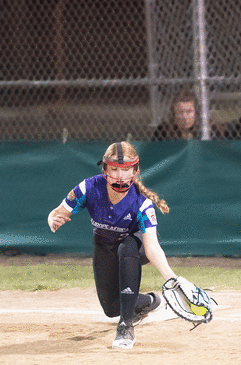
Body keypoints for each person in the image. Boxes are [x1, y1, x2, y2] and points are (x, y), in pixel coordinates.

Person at [47, 141, 182, 349]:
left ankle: (126, 327)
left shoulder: (141, 202)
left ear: (135, 171)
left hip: (135, 247)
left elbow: (152, 248)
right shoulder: (89, 188)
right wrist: (53, 220)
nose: (120, 176)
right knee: (111, 308)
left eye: (126, 169)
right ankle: (152, 301)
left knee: (126, 246)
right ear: (105, 170)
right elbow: (56, 212)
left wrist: (173, 280)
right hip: (104, 245)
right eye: (115, 169)